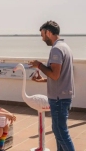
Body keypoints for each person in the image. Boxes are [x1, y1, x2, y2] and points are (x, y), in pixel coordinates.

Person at [29, 20, 75, 151]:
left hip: (59, 98)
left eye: (43, 35)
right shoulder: (65, 47)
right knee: (59, 132)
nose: (42, 38)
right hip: (64, 96)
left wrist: (39, 65)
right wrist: (43, 80)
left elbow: (55, 75)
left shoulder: (56, 49)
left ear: (49, 32)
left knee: (61, 133)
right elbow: (59, 76)